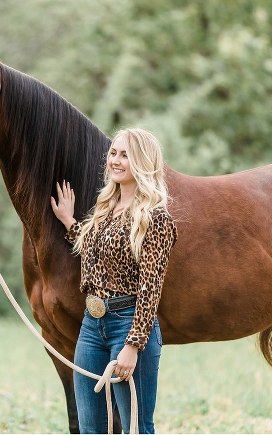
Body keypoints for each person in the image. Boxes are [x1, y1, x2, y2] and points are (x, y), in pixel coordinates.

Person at [50, 128, 177, 434]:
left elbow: (150, 288)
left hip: (128, 323)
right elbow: (97, 250)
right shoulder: (106, 207)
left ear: (143, 162)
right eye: (113, 153)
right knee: (91, 428)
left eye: (125, 155)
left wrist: (133, 345)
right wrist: (69, 221)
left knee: (137, 428)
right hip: (92, 326)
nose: (115, 161)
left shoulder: (155, 218)